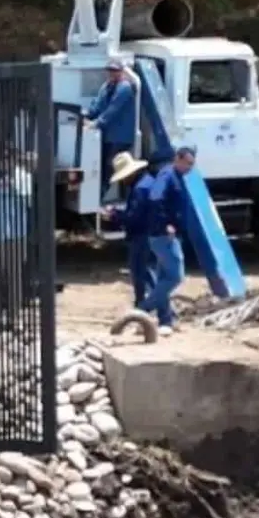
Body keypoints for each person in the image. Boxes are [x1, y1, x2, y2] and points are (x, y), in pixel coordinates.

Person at [134, 146, 196, 337]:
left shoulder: (175, 175)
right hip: (163, 235)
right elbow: (155, 199)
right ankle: (142, 311)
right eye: (188, 163)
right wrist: (165, 225)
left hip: (167, 234)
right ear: (177, 158)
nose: (190, 168)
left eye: (192, 165)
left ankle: (165, 320)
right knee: (175, 276)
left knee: (163, 279)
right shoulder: (167, 175)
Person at [0, 150, 34, 326]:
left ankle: (14, 316)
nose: (5, 164)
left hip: (16, 233)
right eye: (2, 160)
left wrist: (14, 188)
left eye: (9, 160)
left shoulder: (23, 176)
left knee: (15, 274)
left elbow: (29, 202)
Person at [101, 151, 157, 309]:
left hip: (142, 235)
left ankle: (145, 305)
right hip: (151, 232)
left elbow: (133, 217)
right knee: (148, 271)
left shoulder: (139, 189)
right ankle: (153, 304)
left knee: (140, 272)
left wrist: (114, 216)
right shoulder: (148, 182)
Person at [83, 59, 137, 201]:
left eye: (115, 70)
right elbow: (97, 106)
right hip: (107, 136)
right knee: (100, 168)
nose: (112, 73)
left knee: (109, 169)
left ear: (122, 71)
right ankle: (95, 198)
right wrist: (84, 115)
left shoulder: (125, 88)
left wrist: (95, 124)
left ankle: (99, 199)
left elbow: (113, 110)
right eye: (110, 70)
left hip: (120, 137)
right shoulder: (106, 86)